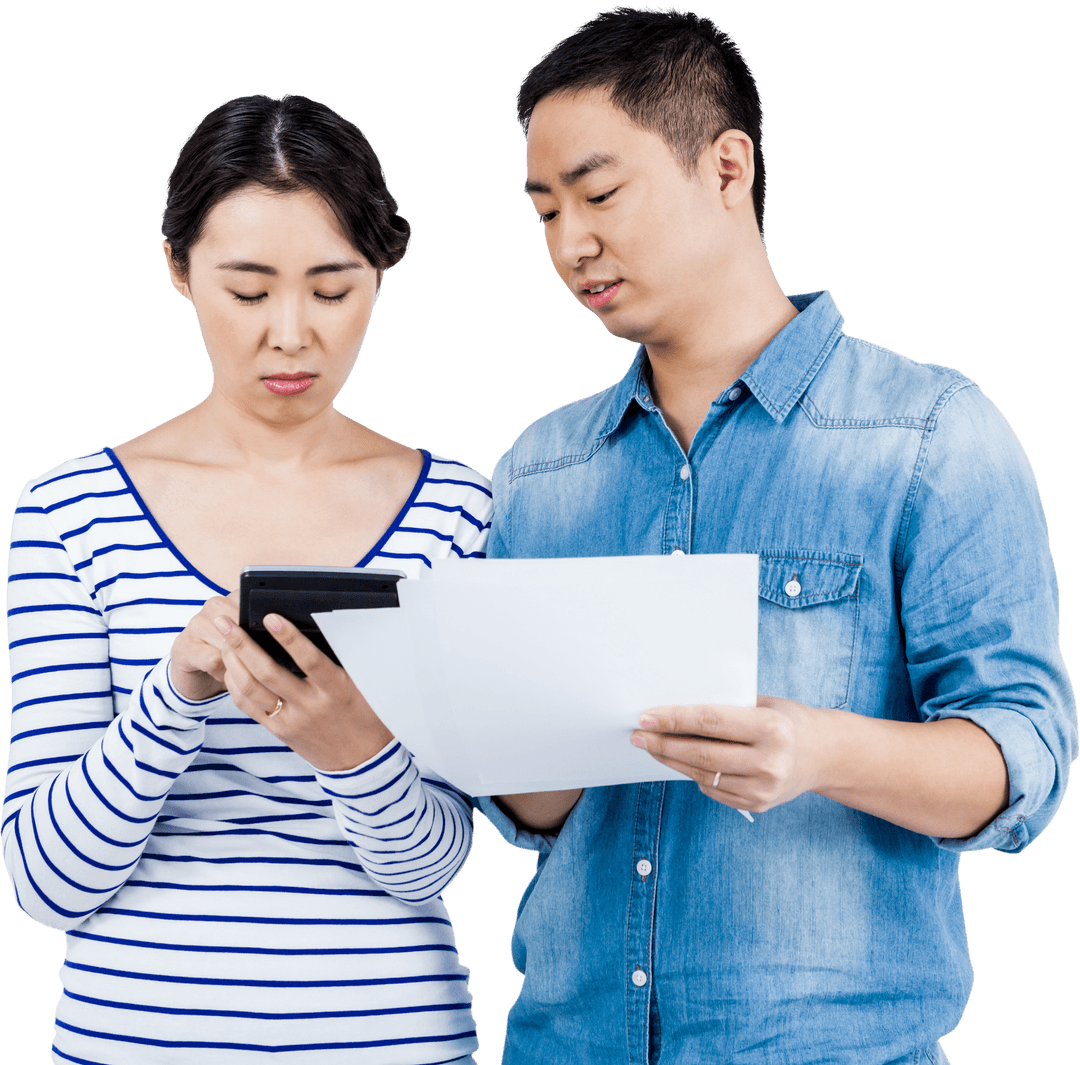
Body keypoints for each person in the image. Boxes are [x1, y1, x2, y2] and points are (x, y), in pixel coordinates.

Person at [475, 8, 1078, 1065]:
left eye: (601, 193)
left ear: (727, 166)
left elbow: (1024, 755)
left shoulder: (928, 434)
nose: (573, 243)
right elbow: (536, 808)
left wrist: (820, 750)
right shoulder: (540, 472)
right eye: (544, 212)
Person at [3, 94, 488, 1064]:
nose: (292, 334)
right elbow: (49, 882)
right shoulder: (68, 512)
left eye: (333, 287)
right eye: (249, 289)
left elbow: (438, 864)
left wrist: (351, 751)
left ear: (381, 276)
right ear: (179, 270)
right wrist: (174, 694)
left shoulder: (463, 513)